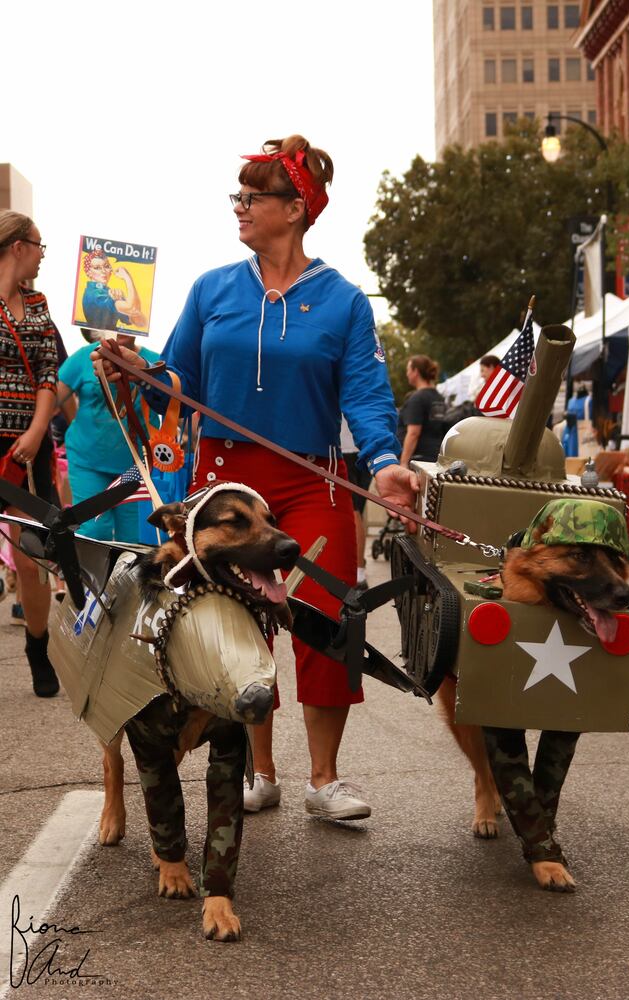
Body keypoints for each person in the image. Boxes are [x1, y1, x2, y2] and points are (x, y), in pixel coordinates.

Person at [95, 134, 418, 821]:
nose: (239, 207)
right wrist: (132, 369)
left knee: (328, 621)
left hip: (314, 482)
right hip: (222, 478)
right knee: (238, 624)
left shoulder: (343, 301)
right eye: (237, 195)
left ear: (296, 208)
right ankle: (257, 770)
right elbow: (175, 384)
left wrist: (385, 462)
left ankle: (324, 779)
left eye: (253, 196)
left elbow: (364, 392)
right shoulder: (212, 288)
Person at [0, 210, 59, 697]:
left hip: (28, 448)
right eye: (39, 245)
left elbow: (47, 370)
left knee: (33, 555)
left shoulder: (37, 302)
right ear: (18, 246)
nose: (43, 254)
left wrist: (38, 432)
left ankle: (38, 646)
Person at [58, 330, 160, 541]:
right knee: (93, 532)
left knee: (132, 540)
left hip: (135, 466)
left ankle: (118, 575)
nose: (120, 328)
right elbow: (53, 396)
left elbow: (172, 404)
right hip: (88, 461)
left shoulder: (153, 361)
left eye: (126, 321)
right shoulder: (83, 356)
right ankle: (85, 574)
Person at [340, 415, 372, 590]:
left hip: (344, 448)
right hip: (364, 447)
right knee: (358, 509)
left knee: (353, 510)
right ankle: (359, 568)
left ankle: (358, 573)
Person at [398, 355, 448, 465]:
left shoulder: (417, 398)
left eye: (408, 370)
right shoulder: (439, 397)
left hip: (418, 460)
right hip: (435, 457)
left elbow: (413, 433)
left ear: (415, 371)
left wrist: (403, 463)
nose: (407, 374)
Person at [81, 249, 146, 331]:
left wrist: (121, 300)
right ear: (89, 272)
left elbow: (140, 322)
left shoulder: (108, 292)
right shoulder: (95, 295)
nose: (103, 271)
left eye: (106, 266)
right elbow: (133, 309)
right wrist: (127, 277)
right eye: (97, 268)